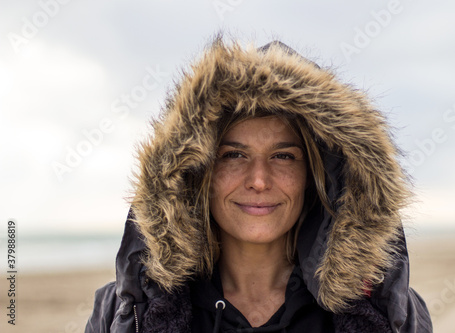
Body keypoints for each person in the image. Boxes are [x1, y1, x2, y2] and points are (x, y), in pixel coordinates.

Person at [85, 38, 433, 333]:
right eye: (234, 155)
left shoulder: (387, 310)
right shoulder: (124, 310)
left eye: (283, 156)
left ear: (315, 175)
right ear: (196, 172)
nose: (259, 180)